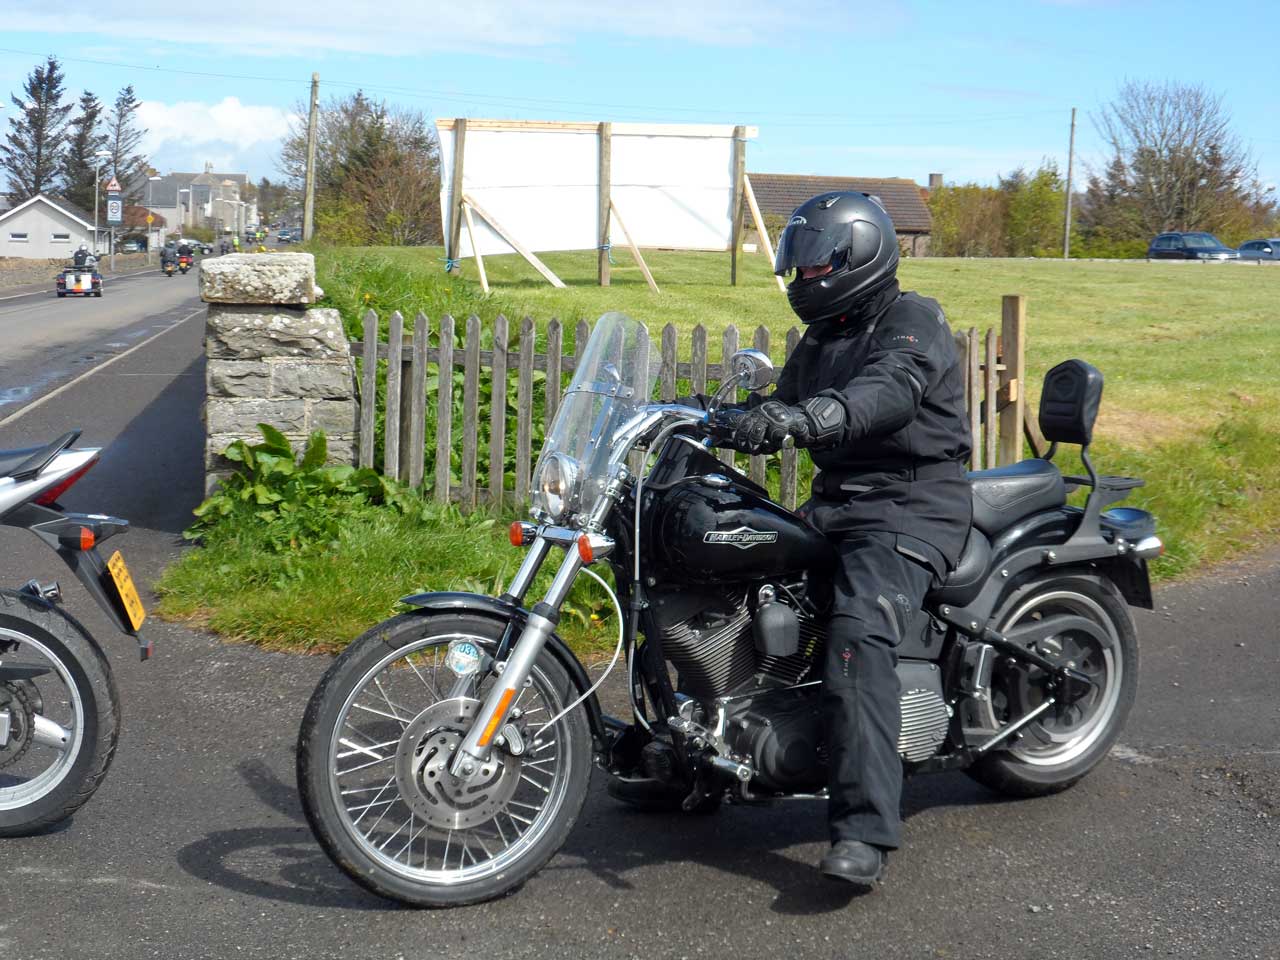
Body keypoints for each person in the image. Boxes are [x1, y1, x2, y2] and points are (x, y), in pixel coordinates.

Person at [716, 192, 972, 888]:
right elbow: (782, 405)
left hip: (910, 506)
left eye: (813, 261)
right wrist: (727, 419)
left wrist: (817, 416)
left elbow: (890, 389)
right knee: (736, 583)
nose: (801, 275)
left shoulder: (912, 319)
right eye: (795, 262)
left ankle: (864, 829)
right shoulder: (824, 334)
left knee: (857, 630)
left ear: (857, 255)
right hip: (839, 504)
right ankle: (692, 754)